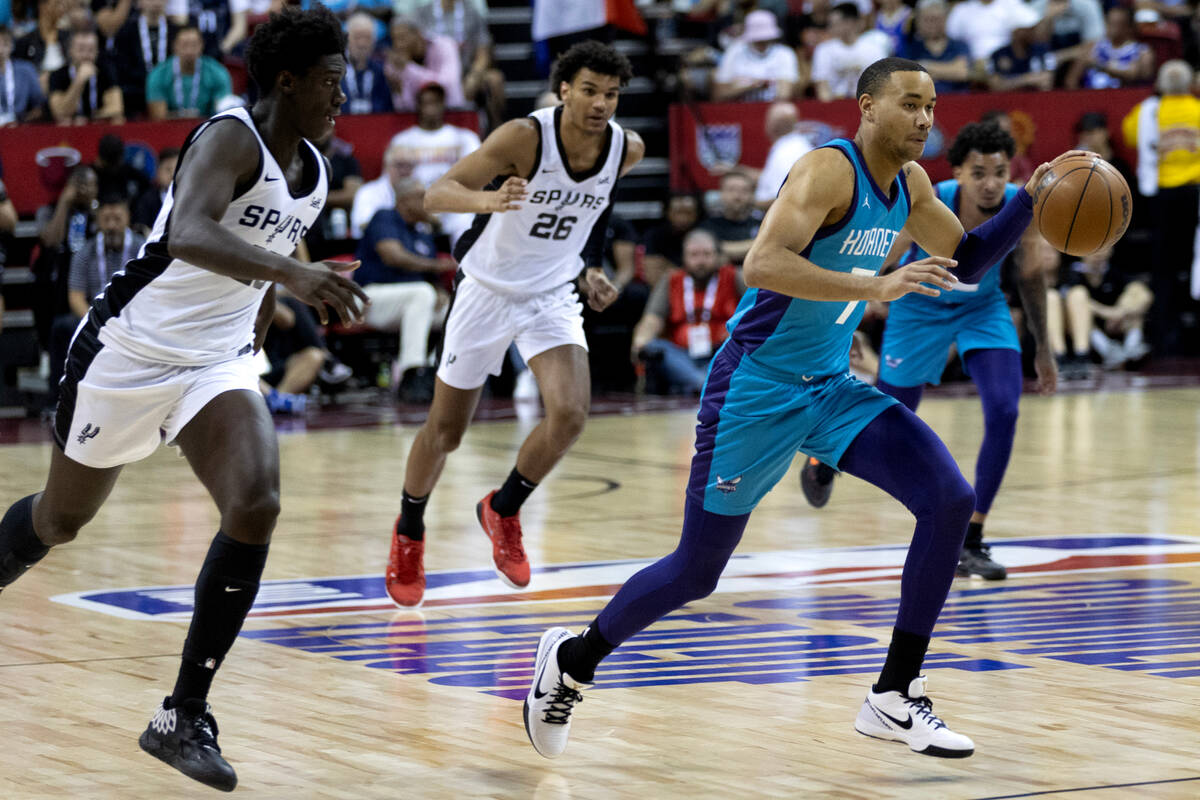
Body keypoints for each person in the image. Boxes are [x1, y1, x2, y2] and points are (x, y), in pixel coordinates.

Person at [522, 56, 1082, 762]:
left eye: (932, 106)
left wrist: (1030, 200)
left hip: (829, 386)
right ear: (867, 107)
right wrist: (874, 285)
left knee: (948, 499)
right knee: (698, 571)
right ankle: (574, 659)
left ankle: (894, 693)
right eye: (909, 103)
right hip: (755, 388)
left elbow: (968, 263)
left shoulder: (910, 184)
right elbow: (761, 265)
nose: (923, 119)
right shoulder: (828, 171)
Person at [0, 6, 368, 791]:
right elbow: (187, 235)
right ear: (287, 80)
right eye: (332, 82)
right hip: (129, 351)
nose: (345, 95)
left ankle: (182, 714)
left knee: (258, 501)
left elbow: (263, 251)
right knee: (59, 522)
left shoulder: (318, 163)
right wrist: (295, 278)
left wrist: (266, 309)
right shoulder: (231, 135)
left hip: (216, 362)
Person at [384, 40, 645, 607]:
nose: (602, 104)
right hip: (486, 290)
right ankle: (409, 528)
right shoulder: (525, 137)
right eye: (590, 91)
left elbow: (595, 211)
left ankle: (502, 509)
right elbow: (436, 193)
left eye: (612, 94)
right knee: (446, 432)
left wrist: (591, 268)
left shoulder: (626, 148)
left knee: (572, 413)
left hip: (550, 293)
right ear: (563, 90)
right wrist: (490, 200)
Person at [800, 121, 1058, 581]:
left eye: (999, 172)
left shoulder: (1023, 202)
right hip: (920, 306)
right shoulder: (929, 194)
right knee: (892, 417)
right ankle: (824, 458)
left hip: (983, 307)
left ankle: (972, 539)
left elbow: (1032, 276)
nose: (991, 183)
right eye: (978, 173)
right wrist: (853, 320)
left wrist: (1044, 349)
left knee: (1005, 410)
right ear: (957, 172)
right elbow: (880, 257)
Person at [353, 176, 448, 403]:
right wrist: (437, 266)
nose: (428, 201)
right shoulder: (385, 217)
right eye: (422, 197)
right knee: (422, 293)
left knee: (459, 308)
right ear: (405, 200)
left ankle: (439, 372)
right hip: (370, 298)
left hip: (412, 304)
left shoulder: (422, 232)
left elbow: (430, 278)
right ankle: (411, 373)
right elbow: (392, 255)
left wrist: (441, 291)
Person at [632, 228, 744, 395]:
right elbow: (652, 319)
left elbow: (757, 313)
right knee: (654, 347)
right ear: (684, 257)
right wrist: (641, 341)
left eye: (707, 254)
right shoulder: (672, 280)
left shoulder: (734, 276)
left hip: (721, 352)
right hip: (682, 356)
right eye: (694, 255)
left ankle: (698, 384)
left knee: (741, 345)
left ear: (718, 256)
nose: (701, 261)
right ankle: (704, 383)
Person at [386, 81, 481, 245]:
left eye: (436, 102)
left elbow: (478, 175)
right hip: (416, 204)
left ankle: (462, 269)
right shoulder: (403, 140)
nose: (432, 108)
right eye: (427, 102)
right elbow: (392, 180)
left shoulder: (465, 138)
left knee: (466, 221)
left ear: (443, 104)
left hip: (454, 204)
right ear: (418, 105)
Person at [145, 24, 233, 119]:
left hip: (207, 128)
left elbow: (223, 113)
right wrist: (184, 116)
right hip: (169, 129)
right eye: (184, 45)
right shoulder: (158, 74)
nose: (189, 51)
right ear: (174, 46)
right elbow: (158, 116)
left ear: (202, 45)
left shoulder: (217, 73)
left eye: (194, 45)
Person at [712, 9, 800, 102]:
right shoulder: (734, 51)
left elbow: (784, 95)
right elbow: (719, 95)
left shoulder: (784, 53)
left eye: (765, 38)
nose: (762, 41)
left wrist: (740, 84)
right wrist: (753, 85)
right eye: (758, 39)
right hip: (739, 110)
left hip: (771, 109)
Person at [811, 3, 891, 101]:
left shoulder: (874, 49)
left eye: (834, 24)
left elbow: (881, 86)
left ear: (849, 23)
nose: (830, 28)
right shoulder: (824, 50)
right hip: (835, 104)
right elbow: (822, 86)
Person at [47, 27, 124, 124]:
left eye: (91, 50)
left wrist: (89, 120)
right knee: (63, 122)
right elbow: (59, 112)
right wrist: (79, 81)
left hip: (96, 126)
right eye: (81, 49)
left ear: (97, 52)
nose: (86, 55)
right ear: (70, 50)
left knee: (118, 120)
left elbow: (116, 108)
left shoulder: (106, 71)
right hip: (68, 130)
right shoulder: (57, 75)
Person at [755, 101, 813, 211]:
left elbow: (783, 198)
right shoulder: (794, 146)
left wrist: (748, 204)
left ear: (773, 125)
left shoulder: (786, 153)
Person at [700, 169, 761, 266]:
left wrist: (723, 250)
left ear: (752, 195)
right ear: (721, 193)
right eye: (731, 190)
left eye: (744, 190)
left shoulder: (763, 224)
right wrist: (756, 246)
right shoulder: (708, 225)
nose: (737, 196)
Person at [340, 11, 392, 115]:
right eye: (357, 37)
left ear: (374, 41)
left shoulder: (381, 72)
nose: (362, 43)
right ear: (347, 39)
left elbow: (388, 107)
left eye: (367, 38)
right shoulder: (336, 72)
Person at [0, 23, 46, 123]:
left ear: (12, 45)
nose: (0, 50)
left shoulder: (26, 69)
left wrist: (22, 121)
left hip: (19, 127)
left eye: (5, 43)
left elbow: (40, 104)